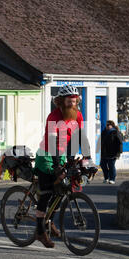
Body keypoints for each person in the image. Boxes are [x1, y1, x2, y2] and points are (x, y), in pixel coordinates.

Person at [34, 84, 91, 248]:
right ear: (60, 101)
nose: (71, 104)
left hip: (63, 154)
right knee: (46, 193)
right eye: (68, 101)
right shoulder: (53, 117)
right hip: (46, 155)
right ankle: (39, 231)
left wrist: (88, 160)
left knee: (62, 190)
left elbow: (80, 138)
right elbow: (52, 143)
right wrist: (58, 167)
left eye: (74, 101)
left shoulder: (78, 116)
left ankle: (49, 219)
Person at [100, 120, 123, 184]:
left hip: (113, 153)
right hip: (104, 152)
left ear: (111, 125)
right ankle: (106, 177)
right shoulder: (104, 132)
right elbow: (101, 141)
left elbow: (120, 142)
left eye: (108, 125)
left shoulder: (115, 132)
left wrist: (119, 152)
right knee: (103, 165)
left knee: (111, 166)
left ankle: (112, 178)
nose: (106, 126)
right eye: (106, 125)